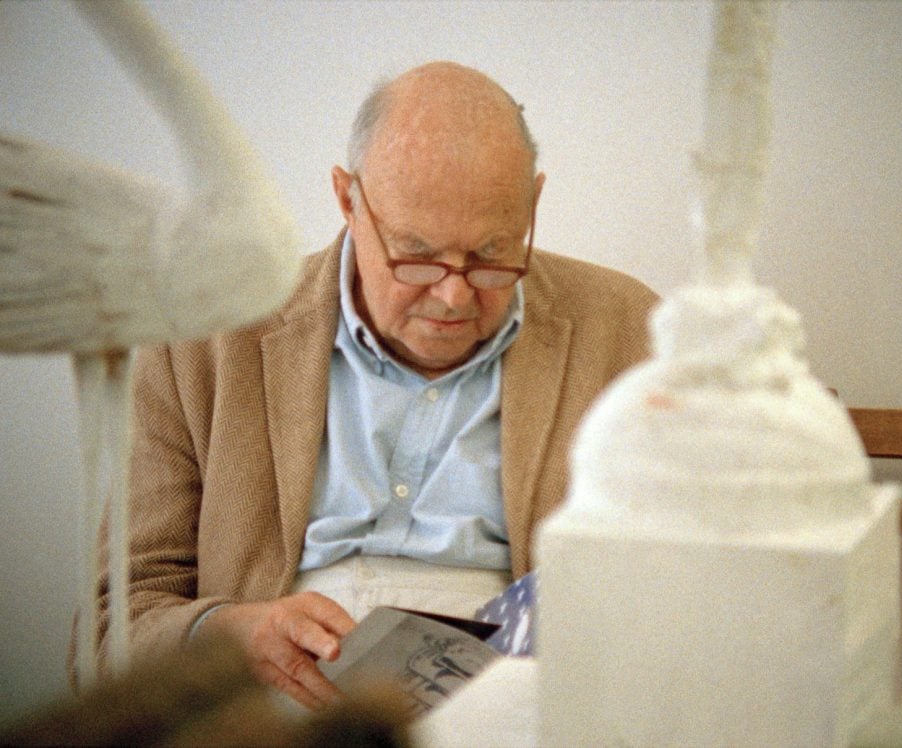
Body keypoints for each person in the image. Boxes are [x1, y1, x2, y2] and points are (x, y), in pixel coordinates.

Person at [94, 61, 659, 709]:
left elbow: (686, 588)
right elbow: (114, 622)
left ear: (533, 203)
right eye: (416, 255)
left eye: (491, 253)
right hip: (267, 710)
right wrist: (231, 634)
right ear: (347, 199)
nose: (452, 295)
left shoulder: (631, 331)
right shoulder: (203, 336)